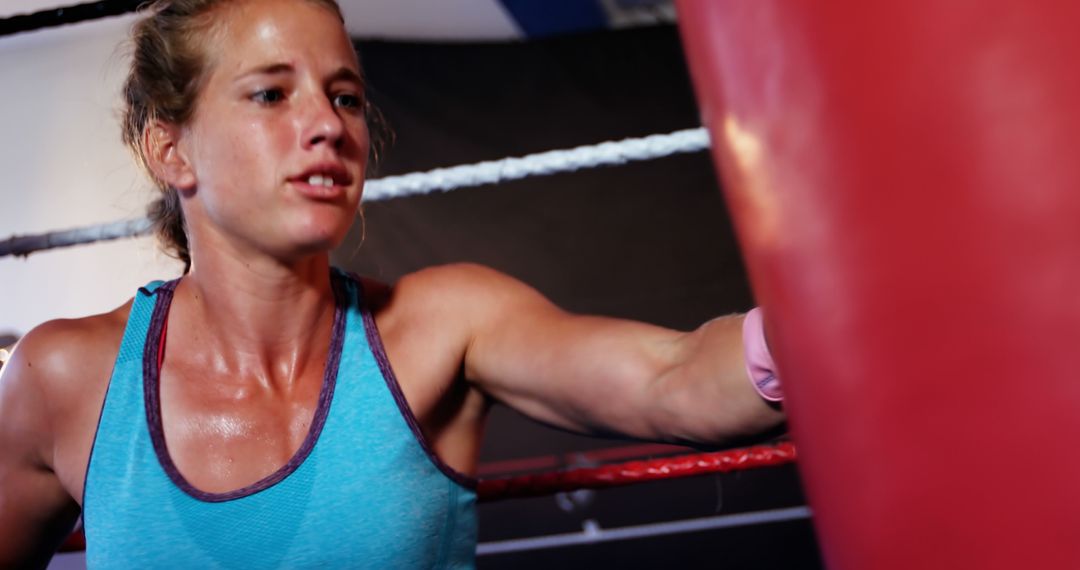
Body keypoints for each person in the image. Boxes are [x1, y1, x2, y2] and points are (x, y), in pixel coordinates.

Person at [0, 0, 785, 567]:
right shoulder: (66, 377)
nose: (330, 125)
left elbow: (675, 378)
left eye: (344, 96)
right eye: (272, 93)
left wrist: (841, 319)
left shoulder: (442, 326)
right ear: (170, 151)